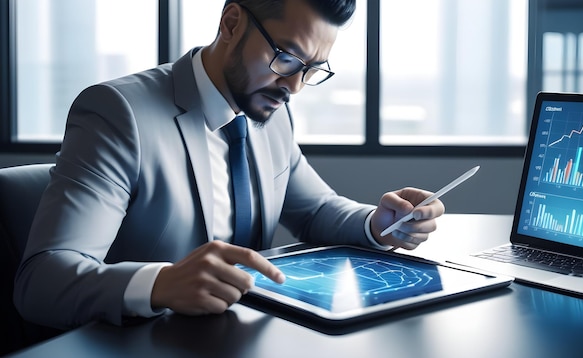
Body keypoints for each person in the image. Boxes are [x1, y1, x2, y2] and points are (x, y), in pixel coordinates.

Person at [14, 0, 444, 330]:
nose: (294, 86)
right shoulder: (119, 112)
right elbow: (42, 281)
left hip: (241, 335)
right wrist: (160, 284)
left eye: (312, 70)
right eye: (287, 57)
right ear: (231, 22)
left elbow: (313, 210)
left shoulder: (271, 110)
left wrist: (379, 222)